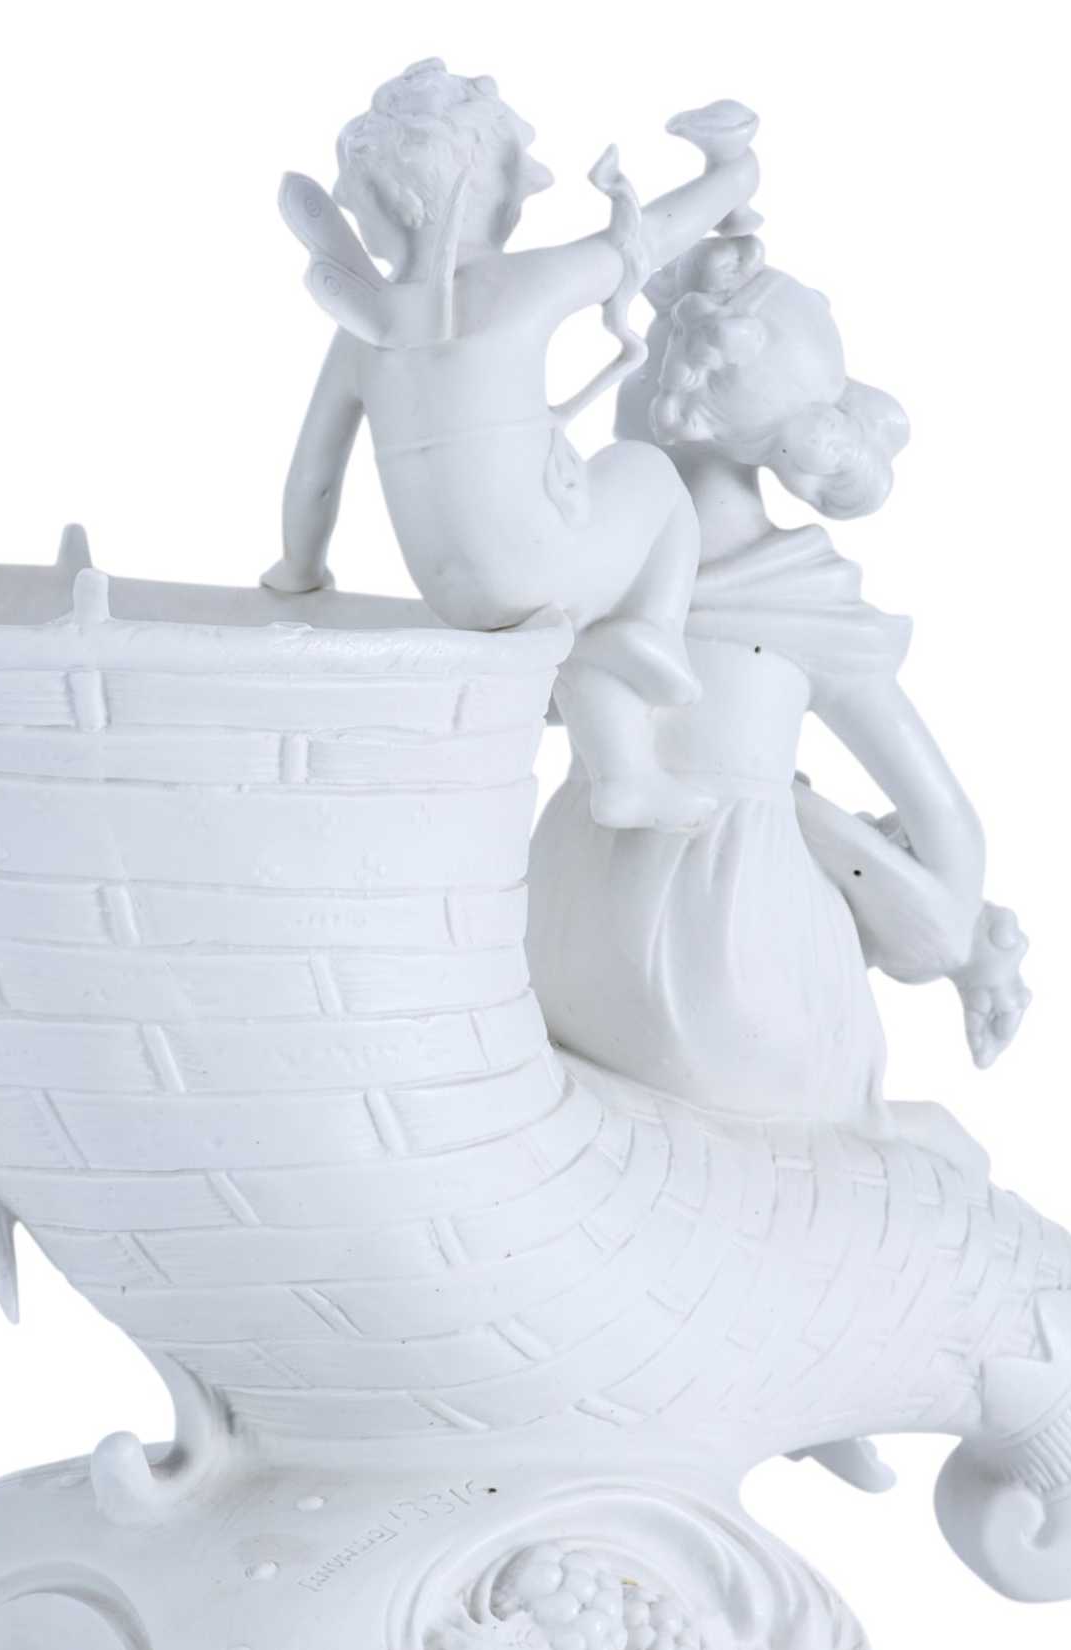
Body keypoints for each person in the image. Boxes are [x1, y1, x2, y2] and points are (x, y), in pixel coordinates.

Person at [529, 235, 1029, 1130]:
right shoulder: (789, 598)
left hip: (575, 944)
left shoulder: (598, 572)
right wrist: (962, 938)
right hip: (717, 960)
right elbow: (945, 825)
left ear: (665, 399)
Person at [263, 59, 759, 832]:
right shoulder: (524, 284)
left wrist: (299, 570)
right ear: (493, 190)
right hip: (540, 558)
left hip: (455, 596)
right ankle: (651, 638)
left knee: (572, 602)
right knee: (646, 474)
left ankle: (624, 776)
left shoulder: (364, 331)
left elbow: (314, 474)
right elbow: (652, 236)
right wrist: (732, 173)